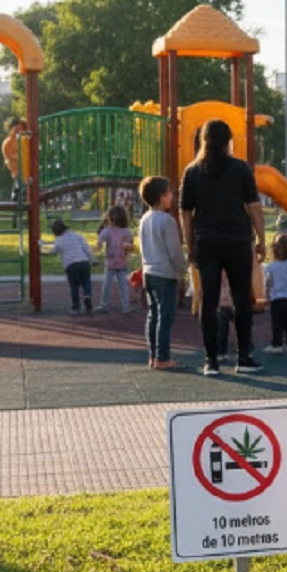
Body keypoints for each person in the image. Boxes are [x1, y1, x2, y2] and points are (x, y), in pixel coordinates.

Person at [179, 118, 266, 377]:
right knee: (242, 298)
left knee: (209, 301)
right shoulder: (240, 169)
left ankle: (211, 360)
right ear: (229, 141)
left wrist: (189, 245)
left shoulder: (192, 171)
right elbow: (254, 207)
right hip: (237, 239)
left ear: (203, 140)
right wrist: (261, 239)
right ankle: (244, 356)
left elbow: (186, 213)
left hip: (207, 240)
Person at [137, 176, 186, 370]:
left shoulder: (144, 219)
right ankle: (163, 357)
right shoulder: (167, 221)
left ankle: (153, 356)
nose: (172, 197)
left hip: (149, 272)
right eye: (170, 193)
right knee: (165, 317)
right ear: (163, 196)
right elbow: (174, 250)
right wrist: (182, 270)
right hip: (165, 273)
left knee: (153, 315)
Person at [41, 219, 95, 316]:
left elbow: (53, 251)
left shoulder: (59, 240)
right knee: (86, 282)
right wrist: (93, 259)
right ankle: (87, 296)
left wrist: (42, 252)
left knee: (74, 286)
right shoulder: (77, 235)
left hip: (71, 264)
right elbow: (86, 248)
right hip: (83, 261)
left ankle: (76, 307)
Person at [263, 233, 287, 354]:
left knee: (277, 323)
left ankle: (277, 344)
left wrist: (267, 297)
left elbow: (268, 283)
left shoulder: (271, 267)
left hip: (277, 298)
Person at [96, 204, 135, 313]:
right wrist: (127, 247)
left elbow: (99, 243)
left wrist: (96, 250)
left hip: (110, 262)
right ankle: (126, 306)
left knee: (107, 284)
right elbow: (131, 246)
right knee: (123, 285)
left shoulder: (107, 231)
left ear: (110, 217)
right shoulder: (127, 232)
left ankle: (104, 305)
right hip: (122, 261)